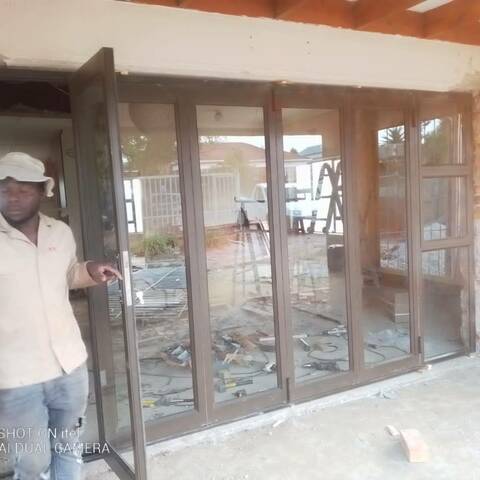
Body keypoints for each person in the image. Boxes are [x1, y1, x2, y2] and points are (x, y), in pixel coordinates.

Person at [0, 152, 121, 480]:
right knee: (32, 461)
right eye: (5, 189)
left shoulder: (60, 233)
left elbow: (67, 275)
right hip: (15, 376)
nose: (13, 197)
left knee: (67, 445)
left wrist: (90, 270)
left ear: (42, 192)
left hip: (69, 366)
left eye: (24, 189)